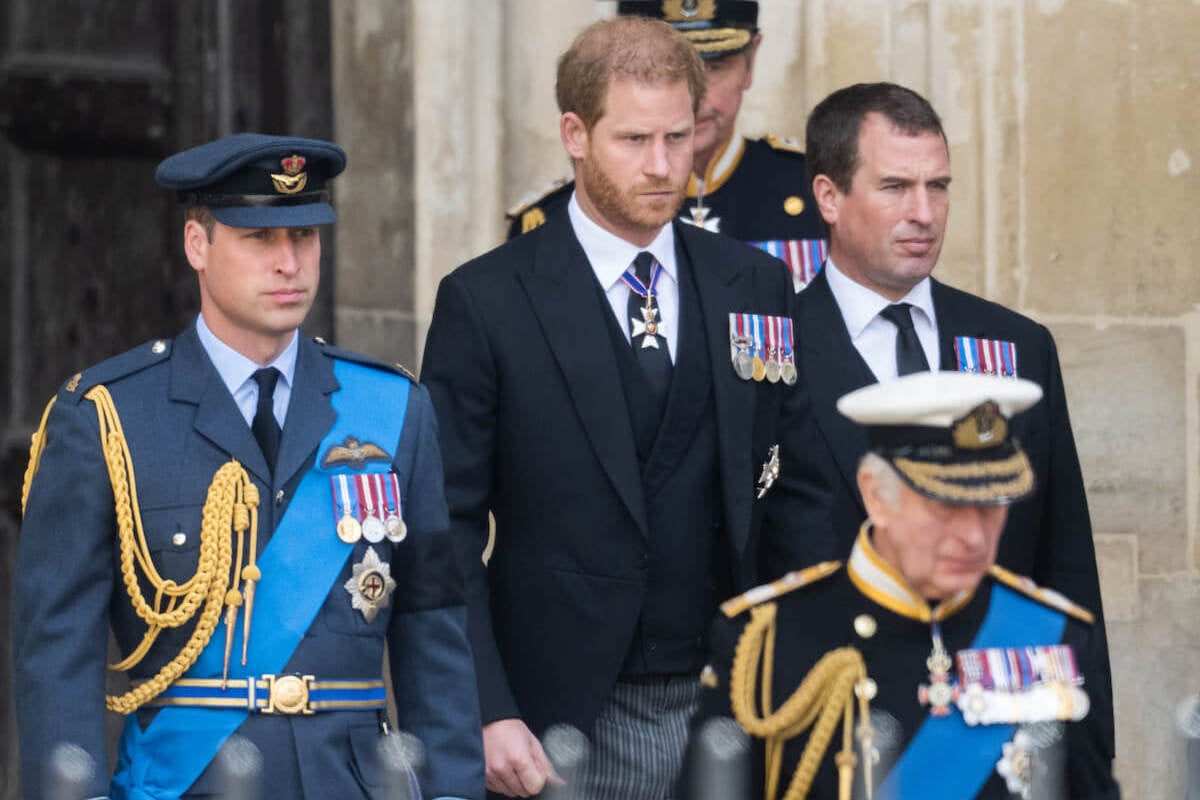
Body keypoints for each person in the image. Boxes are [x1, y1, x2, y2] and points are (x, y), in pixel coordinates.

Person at [422, 16, 829, 800]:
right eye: (634, 140)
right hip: (561, 717)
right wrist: (487, 706)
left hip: (733, 700)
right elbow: (446, 526)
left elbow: (797, 489)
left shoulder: (755, 284)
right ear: (575, 134)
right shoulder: (488, 301)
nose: (663, 166)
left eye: (678, 138)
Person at [12, 133, 484, 800]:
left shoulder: (391, 409)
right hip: (189, 782)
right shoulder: (108, 419)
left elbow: (433, 633)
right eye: (260, 238)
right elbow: (57, 654)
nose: (290, 262)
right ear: (197, 245)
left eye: (306, 237)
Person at [779, 81, 1115, 759]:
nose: (924, 213)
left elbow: (1063, 560)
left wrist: (1089, 747)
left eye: (939, 187)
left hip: (989, 734)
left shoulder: (1016, 346)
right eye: (896, 187)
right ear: (829, 197)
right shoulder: (771, 351)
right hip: (833, 726)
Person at [696, 371, 1120, 799]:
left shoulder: (1055, 636)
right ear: (876, 496)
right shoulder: (763, 639)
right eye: (948, 507)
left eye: (991, 506)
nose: (974, 537)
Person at [506, 0, 828, 291]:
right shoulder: (549, 218)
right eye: (655, 76)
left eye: (713, 68)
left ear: (750, 61)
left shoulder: (810, 191)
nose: (695, 98)